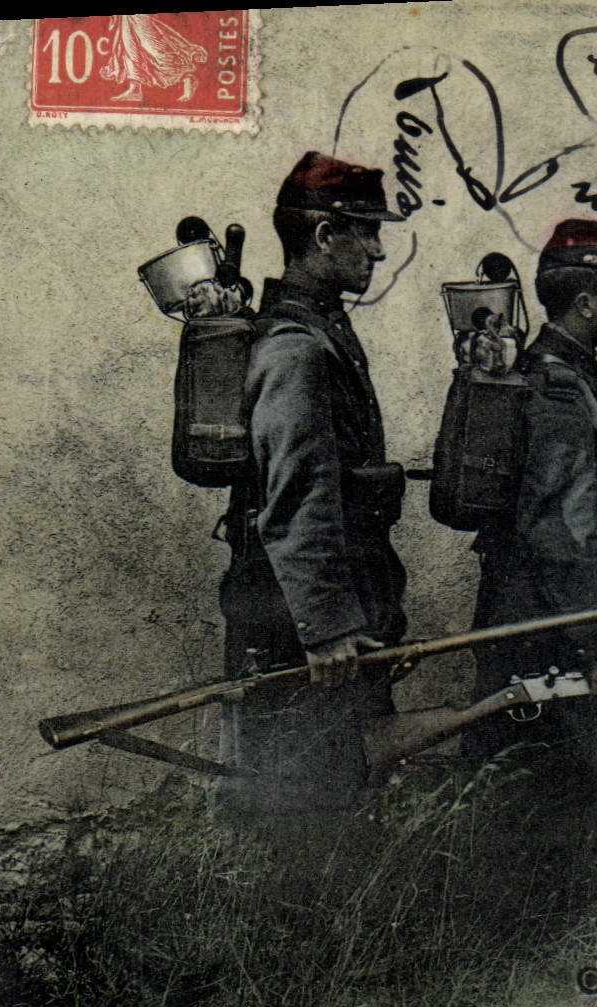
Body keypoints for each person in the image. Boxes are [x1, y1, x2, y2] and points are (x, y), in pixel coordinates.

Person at [214, 151, 407, 816]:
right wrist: (325, 631)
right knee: (307, 803)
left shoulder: (323, 330)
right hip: (302, 629)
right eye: (368, 232)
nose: (379, 252)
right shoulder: (296, 348)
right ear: (325, 235)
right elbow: (298, 499)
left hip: (338, 613)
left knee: (345, 789)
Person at [463, 220, 597, 756]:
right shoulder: (558, 384)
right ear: (586, 304)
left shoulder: (568, 369)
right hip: (546, 625)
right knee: (542, 788)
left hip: (536, 616)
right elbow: (564, 526)